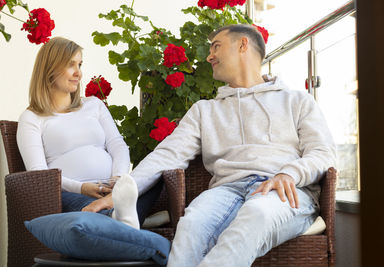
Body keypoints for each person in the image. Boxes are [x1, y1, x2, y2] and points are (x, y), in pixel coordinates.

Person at [83, 24, 336, 266]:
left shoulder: (296, 100)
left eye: (216, 46)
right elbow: (168, 155)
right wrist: (121, 194)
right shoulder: (204, 111)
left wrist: (289, 173)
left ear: (242, 45)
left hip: (282, 192)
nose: (209, 56)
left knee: (256, 215)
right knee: (191, 225)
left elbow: (324, 153)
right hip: (226, 191)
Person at [17, 37, 162, 229]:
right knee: (79, 206)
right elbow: (39, 174)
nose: (78, 73)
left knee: (155, 179)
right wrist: (82, 188)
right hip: (72, 193)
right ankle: (126, 217)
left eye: (80, 64)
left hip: (112, 190)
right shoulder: (32, 118)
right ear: (49, 69)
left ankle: (116, 213)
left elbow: (117, 144)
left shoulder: (93, 105)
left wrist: (118, 181)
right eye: (71, 65)